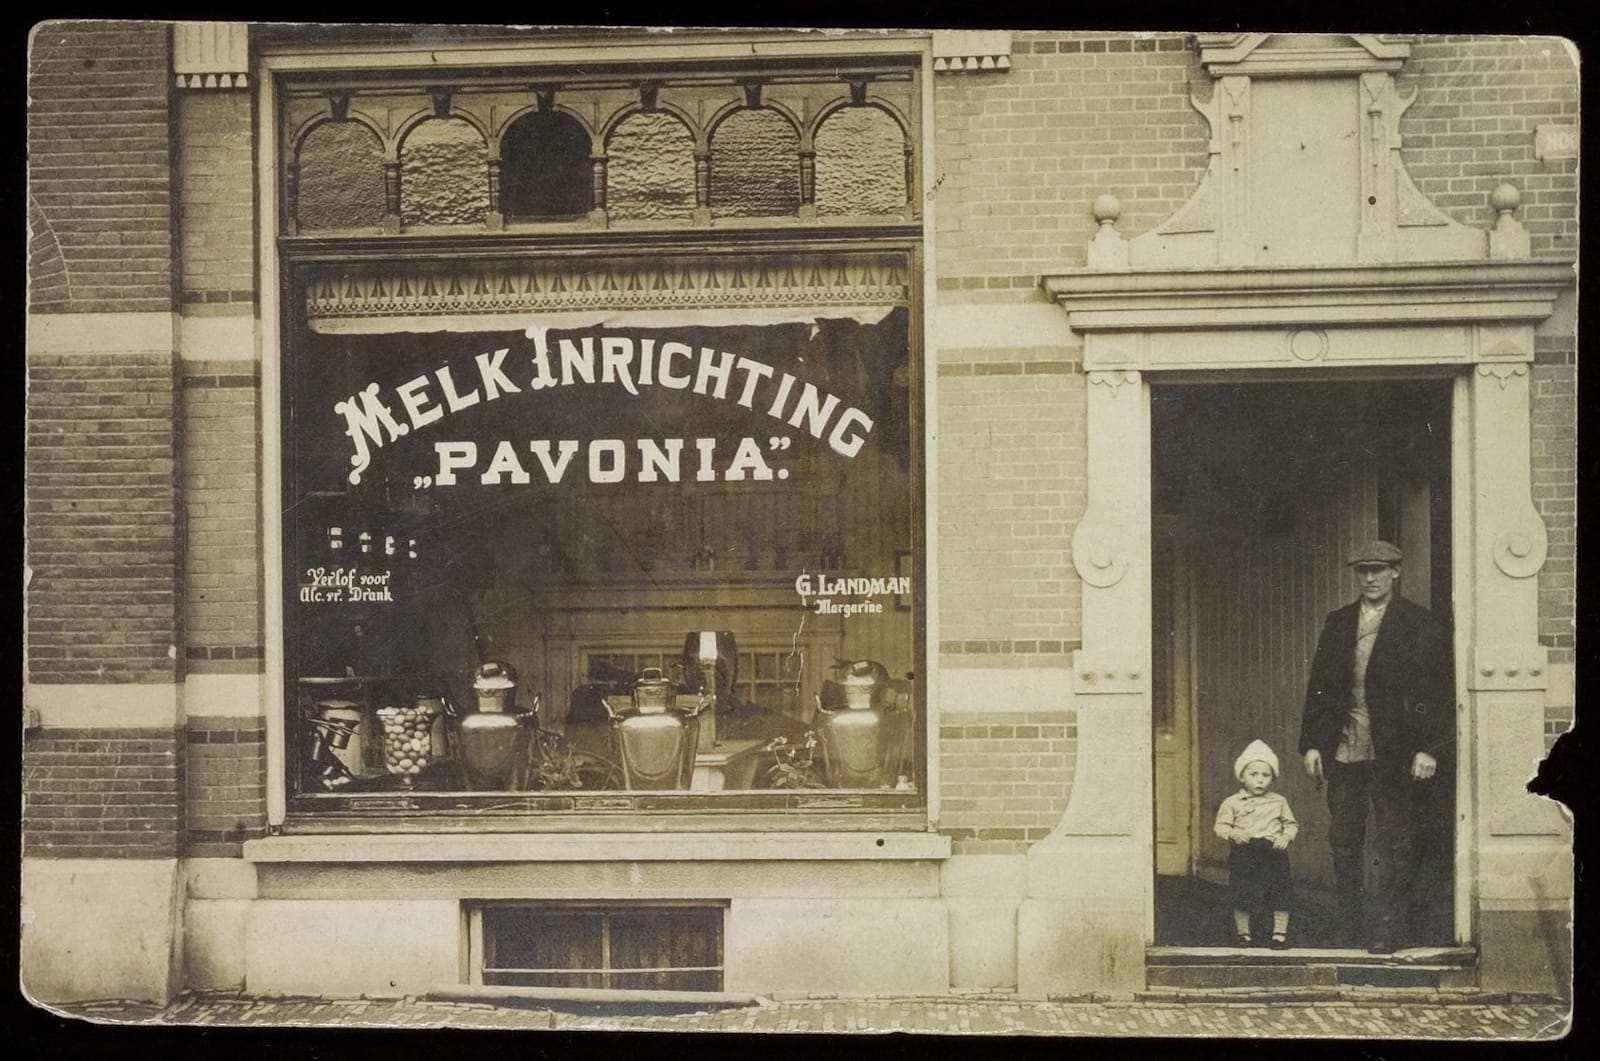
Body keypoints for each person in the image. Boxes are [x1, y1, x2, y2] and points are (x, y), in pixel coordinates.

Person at [1299, 539, 1453, 953]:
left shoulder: (1419, 623)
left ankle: (1388, 931)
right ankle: (1348, 928)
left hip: (1396, 752)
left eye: (1379, 570)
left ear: (1396, 573)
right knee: (1344, 839)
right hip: (1345, 746)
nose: (1370, 578)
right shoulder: (1339, 621)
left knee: (1394, 841)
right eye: (1363, 571)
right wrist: (1312, 744)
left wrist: (1430, 748)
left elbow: (1437, 691)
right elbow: (1320, 688)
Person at [1215, 739, 1299, 948]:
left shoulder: (1279, 801)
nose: (1259, 780)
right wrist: (1233, 833)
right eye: (1253, 775)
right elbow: (1220, 827)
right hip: (1245, 852)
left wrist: (1285, 837)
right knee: (1242, 891)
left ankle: (1279, 934)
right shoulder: (1232, 802)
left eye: (1266, 775)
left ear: (1272, 778)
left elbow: (1291, 824)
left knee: (1280, 891)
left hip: (1273, 852)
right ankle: (1244, 934)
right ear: (1242, 776)